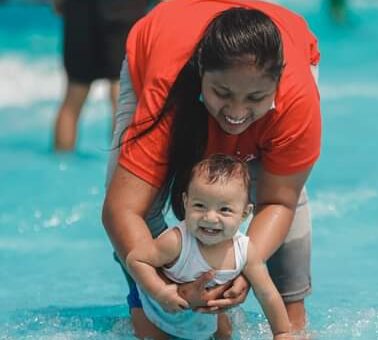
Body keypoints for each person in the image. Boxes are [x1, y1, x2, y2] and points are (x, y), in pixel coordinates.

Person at [102, 0, 321, 337]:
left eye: (255, 99)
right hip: (163, 51)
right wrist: (167, 291)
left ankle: (291, 306)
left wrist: (245, 270)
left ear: (277, 85)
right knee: (156, 317)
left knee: (291, 318)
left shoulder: (295, 101)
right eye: (222, 93)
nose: (236, 112)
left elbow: (279, 201)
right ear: (202, 73)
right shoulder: (169, 88)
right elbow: (122, 209)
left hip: (286, 48)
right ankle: (154, 305)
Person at [126, 154, 290, 339]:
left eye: (225, 209)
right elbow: (136, 259)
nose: (210, 218)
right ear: (186, 202)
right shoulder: (176, 241)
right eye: (200, 206)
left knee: (224, 333)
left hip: (203, 311)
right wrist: (159, 291)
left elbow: (267, 293)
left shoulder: (245, 250)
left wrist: (281, 332)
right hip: (154, 305)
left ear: (245, 213)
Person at [51, 0, 147, 152]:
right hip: (125, 8)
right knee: (121, 92)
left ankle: (60, 165)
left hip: (80, 9)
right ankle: (118, 166)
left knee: (74, 93)